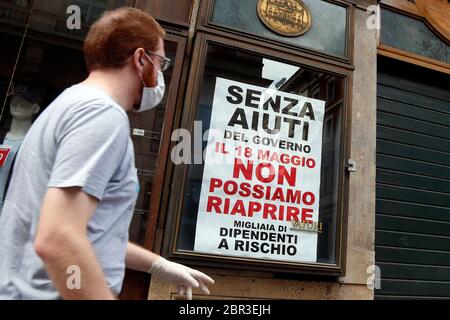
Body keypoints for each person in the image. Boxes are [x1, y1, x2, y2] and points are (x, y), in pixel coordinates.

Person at [0, 7, 214, 300]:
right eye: (161, 62)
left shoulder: (70, 103)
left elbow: (89, 231)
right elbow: (59, 237)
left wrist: (158, 265)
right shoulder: (102, 115)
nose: (160, 75)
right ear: (141, 59)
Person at [0, 85, 41, 213]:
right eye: (15, 101)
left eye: (25, 102)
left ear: (35, 108)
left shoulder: (35, 144)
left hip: (10, 212)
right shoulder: (1, 137)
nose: (17, 104)